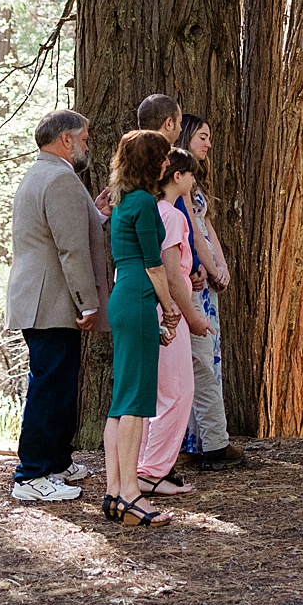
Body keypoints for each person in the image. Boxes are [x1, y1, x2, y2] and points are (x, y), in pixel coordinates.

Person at [5, 109, 102, 502]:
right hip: (51, 299)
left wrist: (98, 214)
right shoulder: (60, 178)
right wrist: (88, 302)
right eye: (84, 138)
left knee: (59, 383)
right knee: (49, 386)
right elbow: (71, 249)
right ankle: (31, 475)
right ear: (66, 140)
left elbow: (68, 230)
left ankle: (59, 462)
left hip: (42, 298)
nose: (86, 145)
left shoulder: (41, 173)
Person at [105, 129, 188, 526]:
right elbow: (155, 264)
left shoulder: (122, 200)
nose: (166, 164)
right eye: (163, 158)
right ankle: (131, 494)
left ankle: (113, 491)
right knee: (137, 403)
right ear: (153, 163)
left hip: (124, 295)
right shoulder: (142, 202)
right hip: (139, 295)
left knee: (121, 401)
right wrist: (170, 307)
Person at [137, 145, 212, 497]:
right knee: (178, 391)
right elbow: (170, 270)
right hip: (166, 308)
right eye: (191, 173)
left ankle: (146, 466)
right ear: (177, 176)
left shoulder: (151, 210)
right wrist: (190, 315)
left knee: (157, 392)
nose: (194, 180)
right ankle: (151, 471)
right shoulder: (170, 215)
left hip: (149, 306)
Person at [173, 114, 241, 468]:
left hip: (207, 277)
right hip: (194, 277)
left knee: (207, 355)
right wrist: (209, 268)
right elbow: (190, 232)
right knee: (199, 358)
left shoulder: (195, 182)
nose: (208, 143)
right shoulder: (176, 183)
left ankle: (205, 438)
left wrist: (223, 266)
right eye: (203, 136)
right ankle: (209, 441)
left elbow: (207, 225)